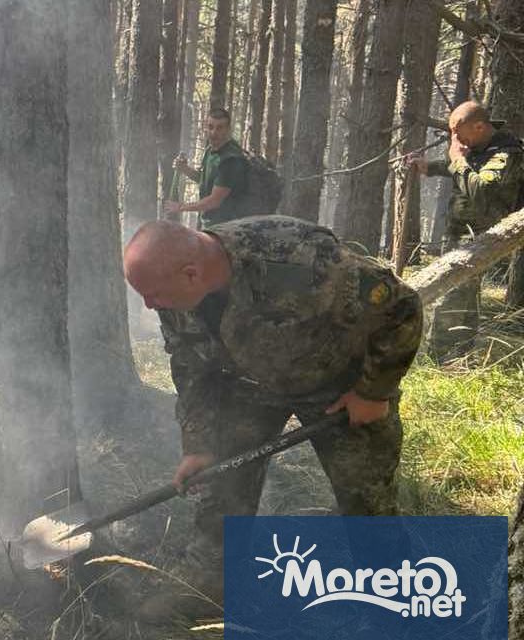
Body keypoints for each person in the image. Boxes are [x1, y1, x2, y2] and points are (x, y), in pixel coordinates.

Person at [122, 216, 423, 622]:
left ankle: (390, 597)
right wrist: (199, 445)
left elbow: (403, 307)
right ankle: (211, 584)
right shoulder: (175, 291)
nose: (148, 305)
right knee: (222, 480)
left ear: (190, 273)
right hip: (251, 383)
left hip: (339, 381)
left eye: (152, 295)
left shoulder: (303, 261)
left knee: (366, 497)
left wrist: (373, 392)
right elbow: (191, 366)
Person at [408, 101, 524, 361]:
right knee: (464, 297)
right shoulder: (480, 148)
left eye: (458, 133)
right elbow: (468, 167)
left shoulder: (506, 153)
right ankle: (460, 355)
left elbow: (482, 190)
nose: (455, 140)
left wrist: (458, 159)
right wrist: (429, 167)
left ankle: (438, 359)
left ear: (479, 127)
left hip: (479, 237)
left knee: (450, 294)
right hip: (462, 234)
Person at [165, 108, 251, 226]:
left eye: (219, 128)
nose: (214, 132)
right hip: (211, 224)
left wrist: (181, 207)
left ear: (228, 130)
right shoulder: (210, 151)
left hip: (229, 226)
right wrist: (185, 169)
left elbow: (214, 201)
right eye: (210, 127)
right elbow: (204, 179)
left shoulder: (231, 160)